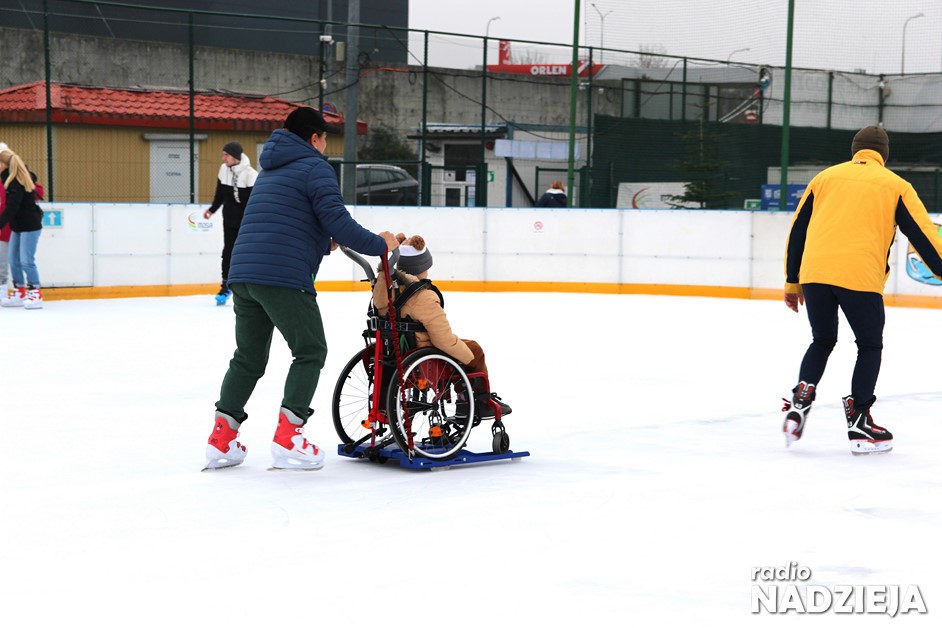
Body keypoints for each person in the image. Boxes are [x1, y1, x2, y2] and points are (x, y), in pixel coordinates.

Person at [204, 106, 400, 471]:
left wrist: (321, 241)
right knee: (310, 350)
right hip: (283, 276)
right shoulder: (315, 167)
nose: (326, 147)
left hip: (244, 273)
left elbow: (282, 220)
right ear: (314, 138)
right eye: (325, 139)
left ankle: (222, 438)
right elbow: (338, 220)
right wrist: (380, 243)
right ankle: (289, 434)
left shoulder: (269, 170)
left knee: (248, 357)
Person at [782, 125, 942, 455]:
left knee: (822, 339)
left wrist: (791, 282)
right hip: (860, 276)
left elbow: (798, 229)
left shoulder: (824, 178)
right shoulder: (896, 186)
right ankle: (860, 422)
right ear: (884, 154)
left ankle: (803, 394)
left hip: (815, 274)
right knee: (869, 345)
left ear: (854, 150)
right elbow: (924, 238)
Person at [372, 233, 512, 419]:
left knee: (465, 348)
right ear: (422, 267)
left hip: (395, 351)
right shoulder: (423, 296)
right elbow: (444, 340)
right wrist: (468, 356)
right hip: (423, 354)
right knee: (474, 350)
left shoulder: (388, 292)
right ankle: (477, 403)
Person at [203, 141, 258, 305]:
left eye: (226, 155)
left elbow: (254, 203)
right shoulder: (223, 170)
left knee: (247, 254)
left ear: (235, 156)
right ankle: (225, 286)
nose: (223, 158)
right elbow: (220, 193)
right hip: (229, 219)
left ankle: (251, 287)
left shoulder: (250, 174)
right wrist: (212, 210)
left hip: (247, 222)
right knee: (228, 252)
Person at [0, 147, 44, 310]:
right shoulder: (8, 179)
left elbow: (11, 208)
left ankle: (35, 291)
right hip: (17, 226)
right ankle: (20, 290)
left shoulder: (16, 182)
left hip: (30, 226)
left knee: (26, 261)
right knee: (13, 260)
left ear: (5, 164)